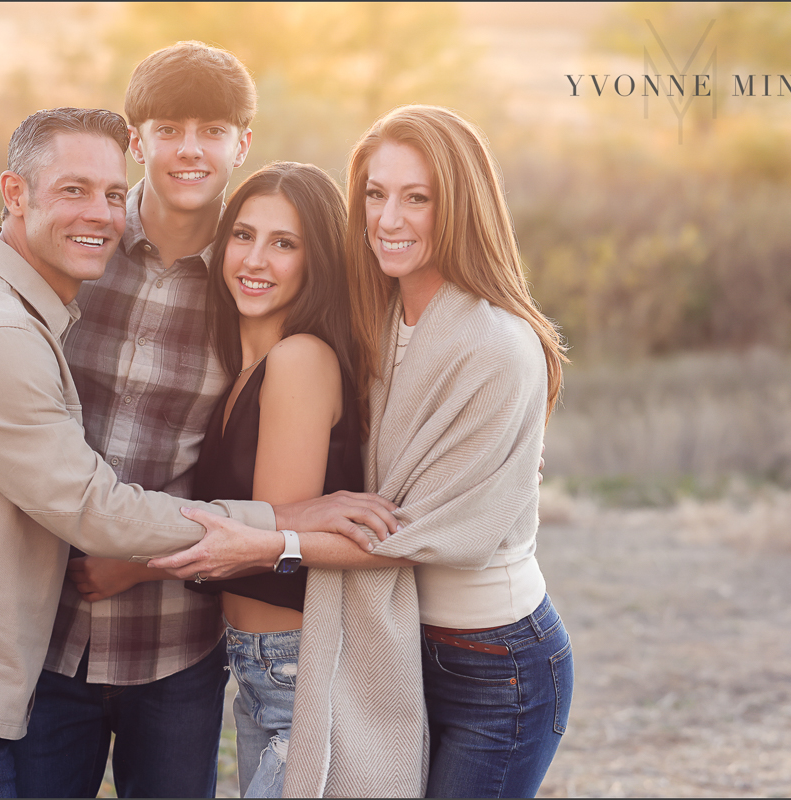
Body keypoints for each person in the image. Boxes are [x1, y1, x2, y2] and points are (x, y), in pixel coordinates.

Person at [0, 44, 397, 798]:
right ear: (139, 142)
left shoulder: (248, 273)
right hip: (43, 628)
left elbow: (344, 345)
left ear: (243, 144)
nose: (189, 150)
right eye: (168, 129)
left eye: (212, 130)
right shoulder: (80, 234)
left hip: (173, 639)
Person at [149, 105, 573, 799]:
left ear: (461, 206)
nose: (388, 219)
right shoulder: (373, 322)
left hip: (495, 659)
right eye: (375, 194)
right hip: (394, 641)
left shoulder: (499, 346)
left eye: (417, 198)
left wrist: (268, 543)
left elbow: (430, 531)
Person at [66, 162, 363, 798]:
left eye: (285, 244)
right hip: (258, 669)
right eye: (244, 236)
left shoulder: (299, 360)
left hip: (296, 667)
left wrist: (133, 566)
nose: (256, 260)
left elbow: (260, 540)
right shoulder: (240, 365)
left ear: (318, 262)